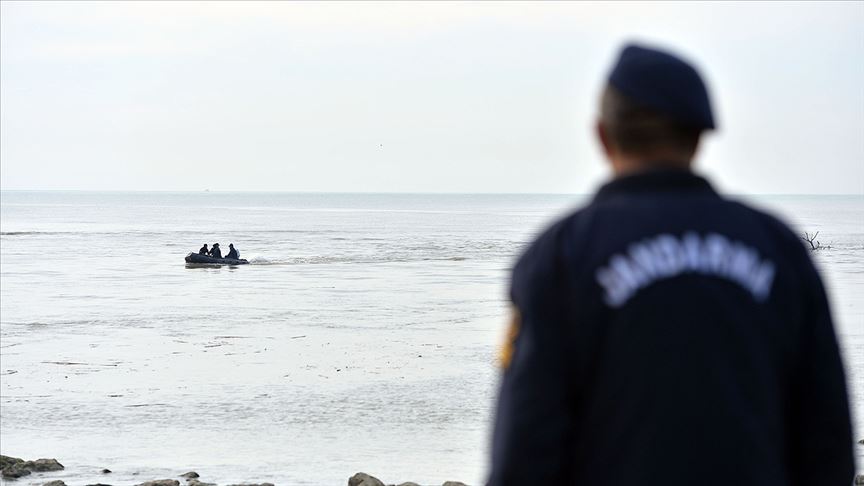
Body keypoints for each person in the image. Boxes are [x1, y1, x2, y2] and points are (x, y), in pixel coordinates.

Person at [488, 43, 853, 485]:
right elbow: (828, 439)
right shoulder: (779, 249)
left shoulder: (562, 255)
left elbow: (524, 450)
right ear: (699, 136)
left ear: (602, 135)